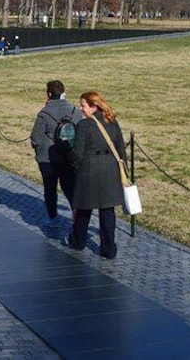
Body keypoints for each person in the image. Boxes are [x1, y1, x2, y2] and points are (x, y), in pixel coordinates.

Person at [67, 91, 126, 259]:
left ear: (93, 107)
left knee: (84, 209)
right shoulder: (113, 122)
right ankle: (109, 249)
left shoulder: (84, 126)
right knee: (108, 211)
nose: (80, 108)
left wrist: (71, 160)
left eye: (83, 105)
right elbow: (121, 149)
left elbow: (77, 154)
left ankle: (78, 241)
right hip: (110, 171)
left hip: (89, 170)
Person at [30, 80, 82, 227]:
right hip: (69, 156)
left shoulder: (44, 113)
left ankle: (53, 218)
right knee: (70, 188)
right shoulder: (75, 111)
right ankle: (77, 217)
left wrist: (39, 148)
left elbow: (35, 138)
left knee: (50, 189)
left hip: (48, 158)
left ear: (48, 94)